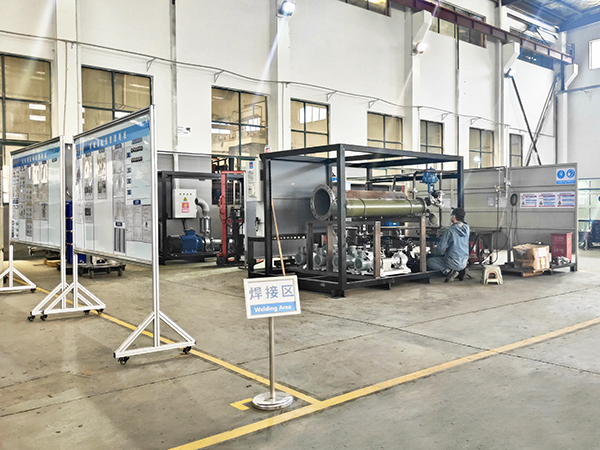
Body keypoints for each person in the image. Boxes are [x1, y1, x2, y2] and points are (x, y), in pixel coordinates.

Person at [427, 207, 470, 282]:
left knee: (430, 261)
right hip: (464, 261)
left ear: (454, 216)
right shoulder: (467, 228)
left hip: (452, 262)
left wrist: (433, 253)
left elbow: (440, 250)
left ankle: (449, 271)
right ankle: (460, 271)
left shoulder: (449, 231)